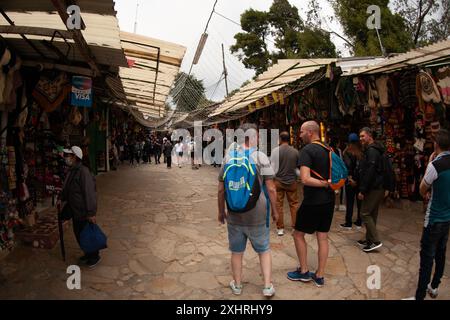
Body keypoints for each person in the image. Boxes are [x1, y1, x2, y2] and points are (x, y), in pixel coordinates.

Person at [218, 123, 279, 297]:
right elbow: (272, 188)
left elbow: (221, 189)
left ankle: (237, 285)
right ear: (253, 137)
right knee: (263, 249)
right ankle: (267, 286)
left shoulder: (228, 158)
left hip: (234, 212)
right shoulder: (261, 157)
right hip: (258, 213)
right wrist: (275, 210)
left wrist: (221, 211)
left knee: (237, 251)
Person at [287, 121, 334, 287]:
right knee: (322, 237)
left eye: (301, 132)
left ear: (309, 132)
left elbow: (305, 179)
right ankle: (319, 275)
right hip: (329, 200)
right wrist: (328, 184)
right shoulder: (328, 148)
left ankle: (304, 271)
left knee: (298, 234)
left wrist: (323, 184)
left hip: (313, 200)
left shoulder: (307, 151)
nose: (299, 135)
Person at [414, 129, 450, 300]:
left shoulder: (435, 165)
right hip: (447, 218)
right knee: (441, 253)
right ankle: (434, 286)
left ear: (436, 145)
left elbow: (422, 189)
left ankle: (419, 296)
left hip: (434, 218)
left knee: (426, 259)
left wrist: (430, 162)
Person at [58, 146, 100, 268]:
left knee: (87, 235)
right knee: (79, 234)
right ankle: (87, 253)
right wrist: (61, 198)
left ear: (75, 157)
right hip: (75, 211)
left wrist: (91, 213)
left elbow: (89, 193)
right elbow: (67, 188)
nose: (66, 158)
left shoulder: (83, 172)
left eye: (68, 156)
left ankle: (94, 256)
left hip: (83, 211)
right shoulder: (72, 170)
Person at [357, 127, 385, 252]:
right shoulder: (373, 149)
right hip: (377, 186)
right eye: (360, 136)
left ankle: (375, 241)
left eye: (363, 136)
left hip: (374, 187)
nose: (361, 139)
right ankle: (369, 240)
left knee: (364, 213)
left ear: (369, 136)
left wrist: (362, 190)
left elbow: (370, 171)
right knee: (372, 214)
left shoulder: (372, 151)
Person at [270, 131, 300, 236]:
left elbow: (272, 168)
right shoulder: (295, 152)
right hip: (292, 182)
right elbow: (297, 168)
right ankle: (295, 227)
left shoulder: (275, 151)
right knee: (294, 205)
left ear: (281, 139)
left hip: (278, 182)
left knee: (278, 205)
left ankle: (280, 228)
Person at [340, 133, 363, 230]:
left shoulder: (347, 151)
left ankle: (348, 223)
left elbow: (348, 166)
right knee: (359, 202)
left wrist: (350, 179)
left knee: (350, 202)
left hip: (351, 180)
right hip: (360, 180)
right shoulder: (361, 151)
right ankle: (359, 222)